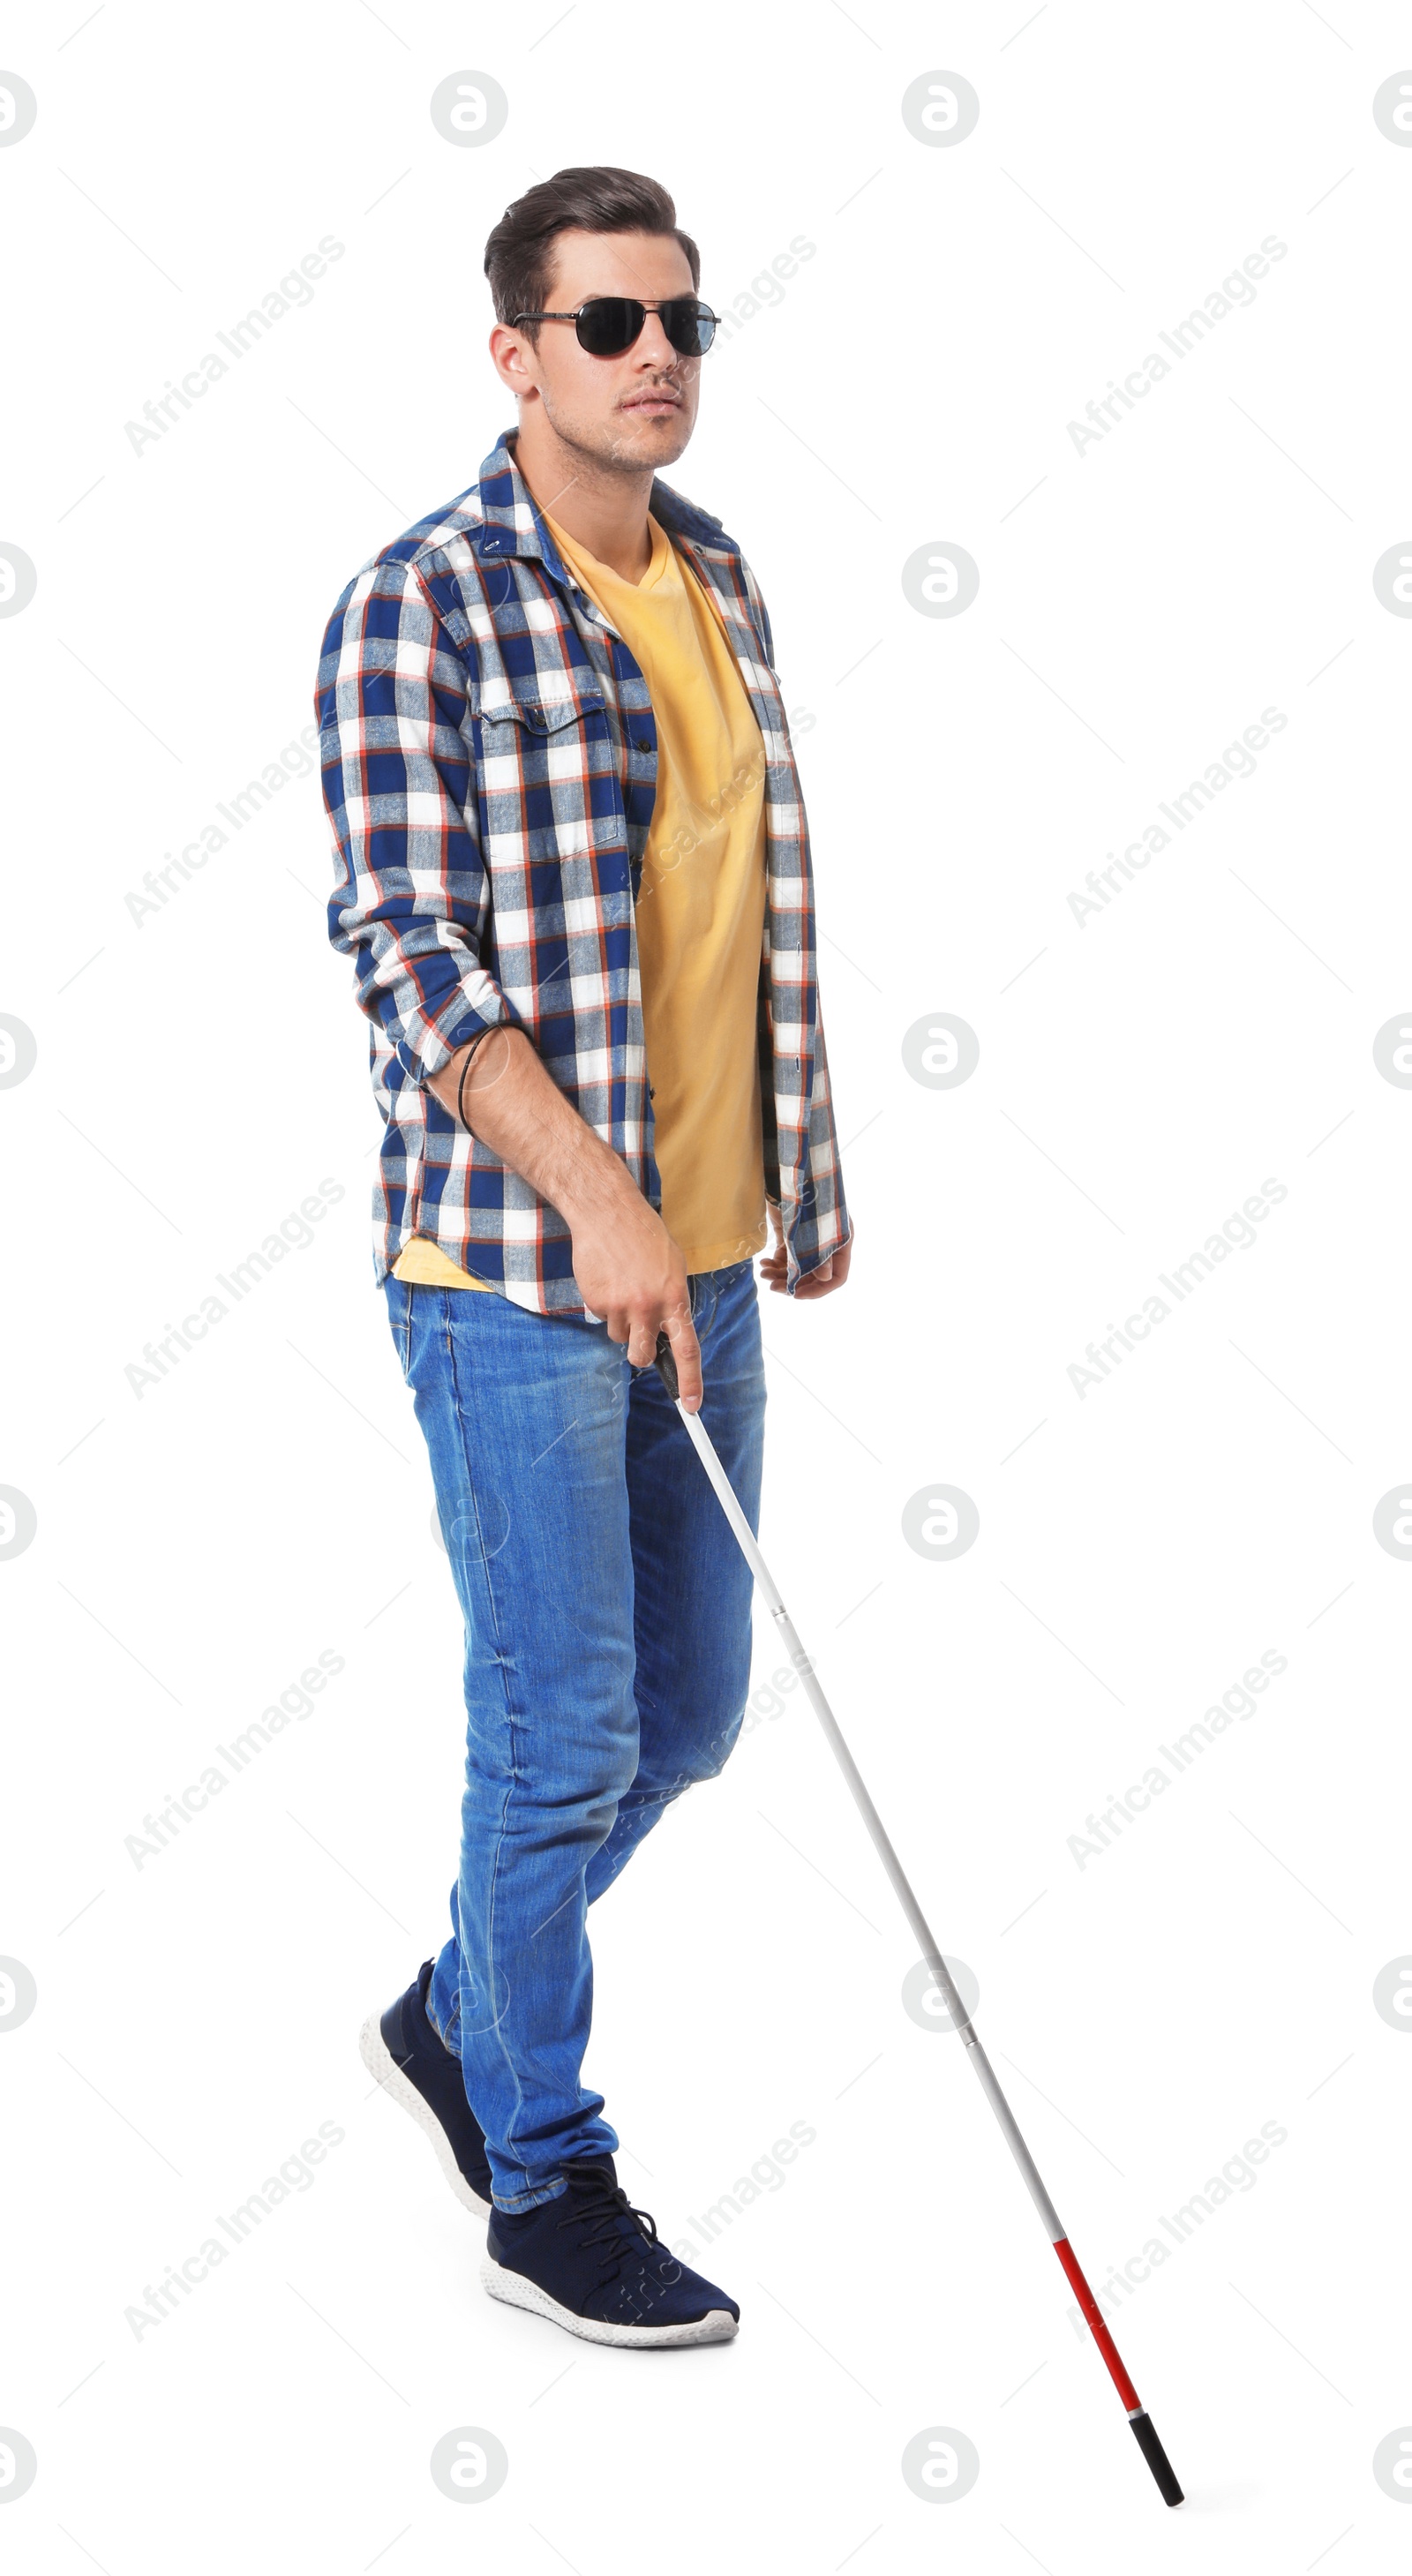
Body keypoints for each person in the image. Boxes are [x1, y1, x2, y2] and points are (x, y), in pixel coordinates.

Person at [314, 164, 852, 2349]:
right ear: (515, 350)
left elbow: (744, 910)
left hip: (704, 1258)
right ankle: (542, 2170)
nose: (655, 358)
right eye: (610, 322)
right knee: (558, 1740)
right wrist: (596, 1192)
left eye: (683, 327)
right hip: (512, 1280)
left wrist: (785, 1175)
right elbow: (405, 948)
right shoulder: (418, 601)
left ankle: (460, 2006)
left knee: (693, 1714)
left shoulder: (710, 573)